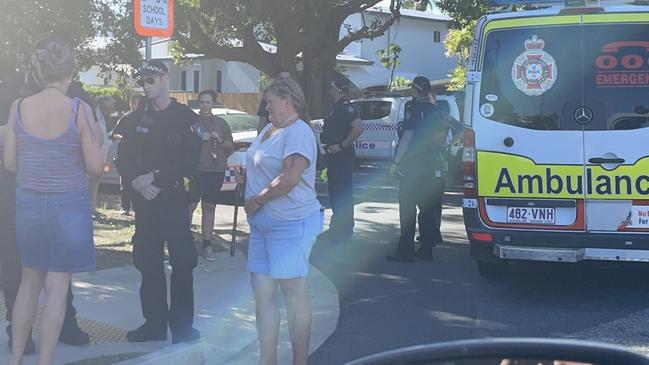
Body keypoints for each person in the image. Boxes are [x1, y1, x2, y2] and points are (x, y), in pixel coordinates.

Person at [3, 39, 102, 365]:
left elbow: (10, 163)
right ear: (70, 74)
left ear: (40, 71)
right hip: (68, 207)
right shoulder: (78, 109)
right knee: (57, 289)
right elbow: (93, 165)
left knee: (28, 283)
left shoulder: (18, 107)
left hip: (29, 204)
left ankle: (16, 358)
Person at [115, 60, 202, 344]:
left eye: (150, 80)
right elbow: (123, 157)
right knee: (148, 262)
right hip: (146, 203)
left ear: (165, 79)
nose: (145, 86)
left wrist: (154, 177)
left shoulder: (186, 118)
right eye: (142, 81)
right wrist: (136, 181)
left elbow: (189, 161)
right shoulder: (135, 119)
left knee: (182, 263)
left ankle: (181, 327)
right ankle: (153, 324)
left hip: (174, 200)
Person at [242, 77, 323, 365]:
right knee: (262, 295)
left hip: (291, 223)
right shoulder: (269, 128)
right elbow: (261, 164)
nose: (267, 107)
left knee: (292, 292)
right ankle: (268, 361)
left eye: (271, 102)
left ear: (287, 100)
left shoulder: (299, 132)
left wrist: (257, 200)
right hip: (263, 227)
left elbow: (289, 179)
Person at [386, 76, 449, 263]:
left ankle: (405, 250)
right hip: (432, 164)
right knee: (427, 208)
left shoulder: (415, 111)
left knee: (407, 207)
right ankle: (426, 249)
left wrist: (396, 163)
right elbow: (442, 137)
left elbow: (406, 138)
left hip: (413, 165)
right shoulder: (437, 111)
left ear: (414, 90)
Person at [188, 89, 234, 262]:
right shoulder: (192, 121)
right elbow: (182, 143)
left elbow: (231, 147)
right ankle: (185, 240)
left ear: (214, 104)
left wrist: (220, 140)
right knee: (190, 204)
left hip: (215, 170)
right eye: (202, 102)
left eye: (208, 102)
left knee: (209, 207)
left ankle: (207, 244)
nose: (205, 105)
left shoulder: (221, 123)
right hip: (195, 169)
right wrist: (199, 139)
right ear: (198, 103)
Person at [319, 74, 363, 242]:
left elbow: (358, 128)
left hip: (341, 154)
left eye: (331, 88)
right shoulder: (335, 107)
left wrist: (342, 145)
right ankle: (337, 226)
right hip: (333, 154)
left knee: (342, 192)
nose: (329, 91)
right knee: (335, 192)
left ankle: (343, 229)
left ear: (337, 89)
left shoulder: (346, 107)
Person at [113, 94, 143, 216]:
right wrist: (125, 139)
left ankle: (139, 208)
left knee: (139, 182)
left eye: (138, 103)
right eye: (134, 103)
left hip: (139, 156)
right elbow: (115, 134)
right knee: (125, 182)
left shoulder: (145, 118)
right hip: (125, 155)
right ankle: (124, 207)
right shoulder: (126, 118)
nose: (136, 105)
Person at [89, 95, 114, 214]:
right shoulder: (95, 116)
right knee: (91, 183)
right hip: (95, 157)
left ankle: (92, 207)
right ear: (105, 107)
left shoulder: (102, 118)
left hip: (101, 158)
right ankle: (90, 208)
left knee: (96, 183)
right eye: (111, 108)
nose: (112, 111)